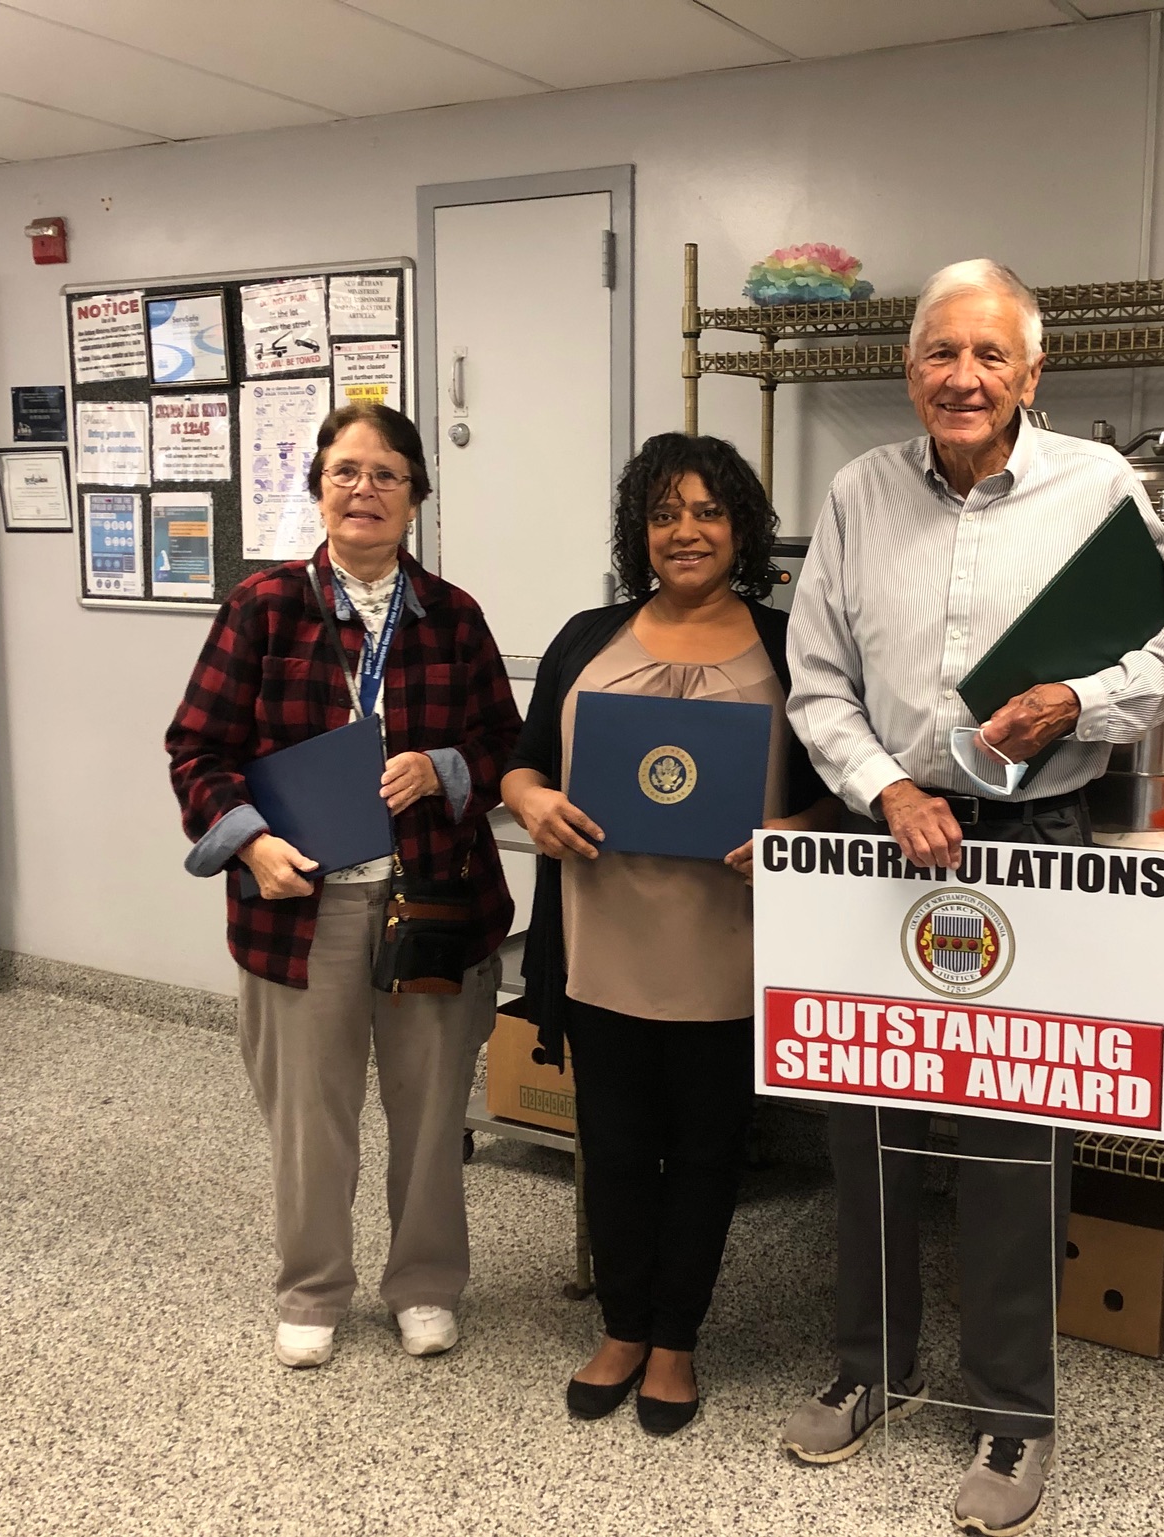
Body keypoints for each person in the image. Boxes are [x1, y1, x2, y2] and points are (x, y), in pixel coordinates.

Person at [781, 261, 1164, 1536]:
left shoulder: (1098, 488)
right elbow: (815, 681)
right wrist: (880, 789)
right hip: (890, 832)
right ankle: (874, 1362)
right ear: (910, 370)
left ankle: (1015, 1410)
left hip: (1039, 832)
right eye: (938, 354)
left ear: (1032, 373)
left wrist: (1077, 702)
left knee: (1021, 1139)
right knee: (868, 1119)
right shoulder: (858, 494)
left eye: (988, 356)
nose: (962, 377)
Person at [165, 403, 519, 1369]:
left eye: (386, 475)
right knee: (308, 1116)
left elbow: (506, 748)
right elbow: (196, 750)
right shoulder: (262, 609)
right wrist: (249, 844)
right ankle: (313, 1286)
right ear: (319, 488)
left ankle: (425, 1284)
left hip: (431, 900)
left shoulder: (453, 616)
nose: (364, 491)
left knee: (432, 1106)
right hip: (301, 907)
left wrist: (444, 766)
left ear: (416, 496)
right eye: (345, 472)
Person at [501, 433, 835, 1436]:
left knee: (704, 1154)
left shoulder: (793, 645)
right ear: (637, 530)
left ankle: (677, 1340)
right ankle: (621, 1325)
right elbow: (520, 764)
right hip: (602, 948)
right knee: (610, 1146)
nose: (684, 531)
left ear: (741, 528)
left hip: (729, 957)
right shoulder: (584, 636)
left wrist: (792, 833)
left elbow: (842, 792)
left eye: (707, 511)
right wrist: (531, 803)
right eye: (663, 513)